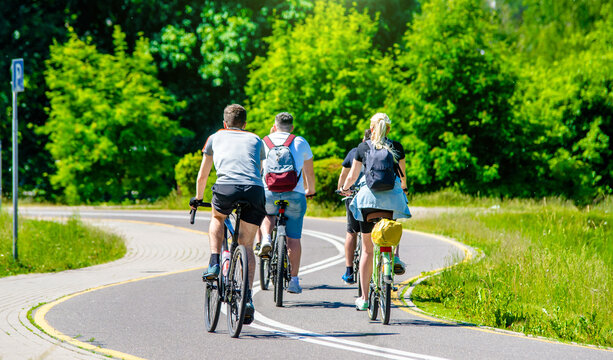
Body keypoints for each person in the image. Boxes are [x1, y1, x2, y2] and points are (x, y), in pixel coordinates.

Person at [190, 104, 267, 324]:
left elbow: (203, 174)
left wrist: (197, 198)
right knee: (247, 245)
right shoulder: (255, 139)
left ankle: (215, 261)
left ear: (225, 123)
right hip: (253, 190)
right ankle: (248, 298)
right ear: (245, 124)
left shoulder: (215, 137)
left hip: (226, 188)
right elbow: (260, 169)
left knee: (217, 218)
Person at [340, 113, 411, 310]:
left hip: (368, 200)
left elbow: (353, 176)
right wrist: (403, 189)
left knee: (367, 250)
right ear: (389, 129)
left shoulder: (363, 147)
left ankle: (363, 298)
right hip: (392, 200)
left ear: (371, 129)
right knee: (391, 226)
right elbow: (403, 178)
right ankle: (393, 256)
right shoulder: (396, 147)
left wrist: (345, 188)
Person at [256, 112, 316, 294]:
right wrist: (310, 190)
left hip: (269, 192)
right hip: (295, 195)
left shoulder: (263, 141)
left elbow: (258, 170)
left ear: (274, 125)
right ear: (292, 127)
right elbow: (309, 172)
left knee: (267, 213)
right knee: (294, 238)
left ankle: (266, 238)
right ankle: (294, 281)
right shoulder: (300, 142)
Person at [337, 129, 371, 284]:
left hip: (354, 195)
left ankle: (349, 271)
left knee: (351, 233)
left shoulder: (355, 151)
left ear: (363, 139)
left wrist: (341, 189)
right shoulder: (384, 150)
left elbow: (345, 174)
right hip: (375, 197)